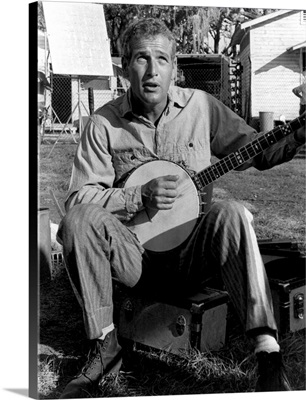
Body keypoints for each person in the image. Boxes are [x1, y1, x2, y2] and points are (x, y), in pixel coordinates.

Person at [57, 18, 305, 398]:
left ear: (176, 67)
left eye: (162, 59)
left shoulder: (202, 108)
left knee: (232, 211)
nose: (153, 71)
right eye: (141, 59)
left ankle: (266, 351)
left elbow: (256, 149)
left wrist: (298, 132)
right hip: (132, 259)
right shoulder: (102, 124)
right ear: (125, 67)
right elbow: (78, 200)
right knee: (80, 218)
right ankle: (104, 349)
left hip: (191, 257)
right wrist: (137, 197)